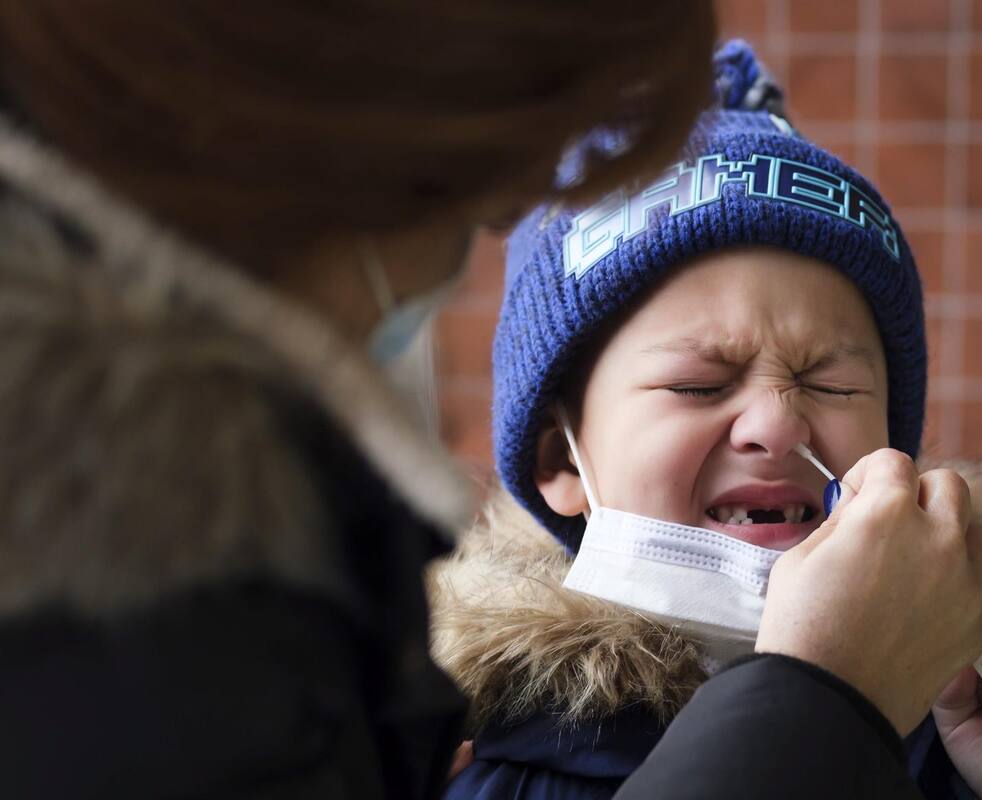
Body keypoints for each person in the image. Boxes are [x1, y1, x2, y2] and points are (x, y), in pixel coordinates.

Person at [0, 4, 720, 798]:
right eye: (477, 207)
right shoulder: (184, 624)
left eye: (831, 380)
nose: (770, 425)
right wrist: (812, 717)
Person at [433, 41, 982, 799]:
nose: (778, 426)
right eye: (697, 384)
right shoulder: (466, 756)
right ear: (560, 461)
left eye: (834, 384)